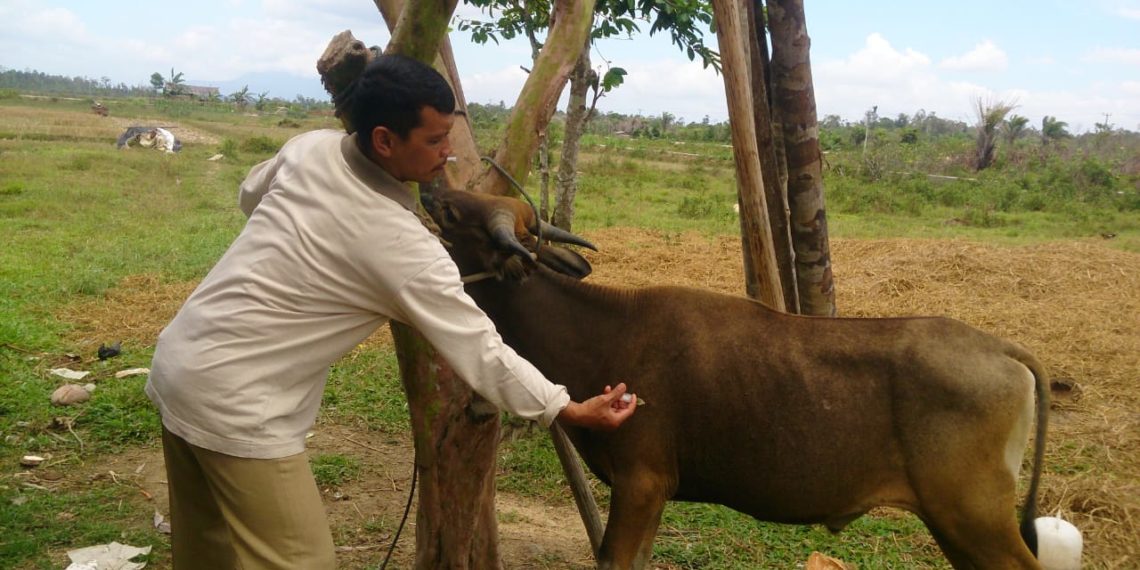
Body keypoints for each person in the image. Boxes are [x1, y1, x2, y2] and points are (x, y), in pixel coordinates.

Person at [145, 53, 637, 569]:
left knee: (207, 554)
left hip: (180, 362)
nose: (448, 154)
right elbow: (480, 348)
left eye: (449, 135)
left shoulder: (309, 148)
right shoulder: (403, 247)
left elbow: (252, 195)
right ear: (384, 140)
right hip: (238, 405)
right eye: (433, 141)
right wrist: (566, 407)